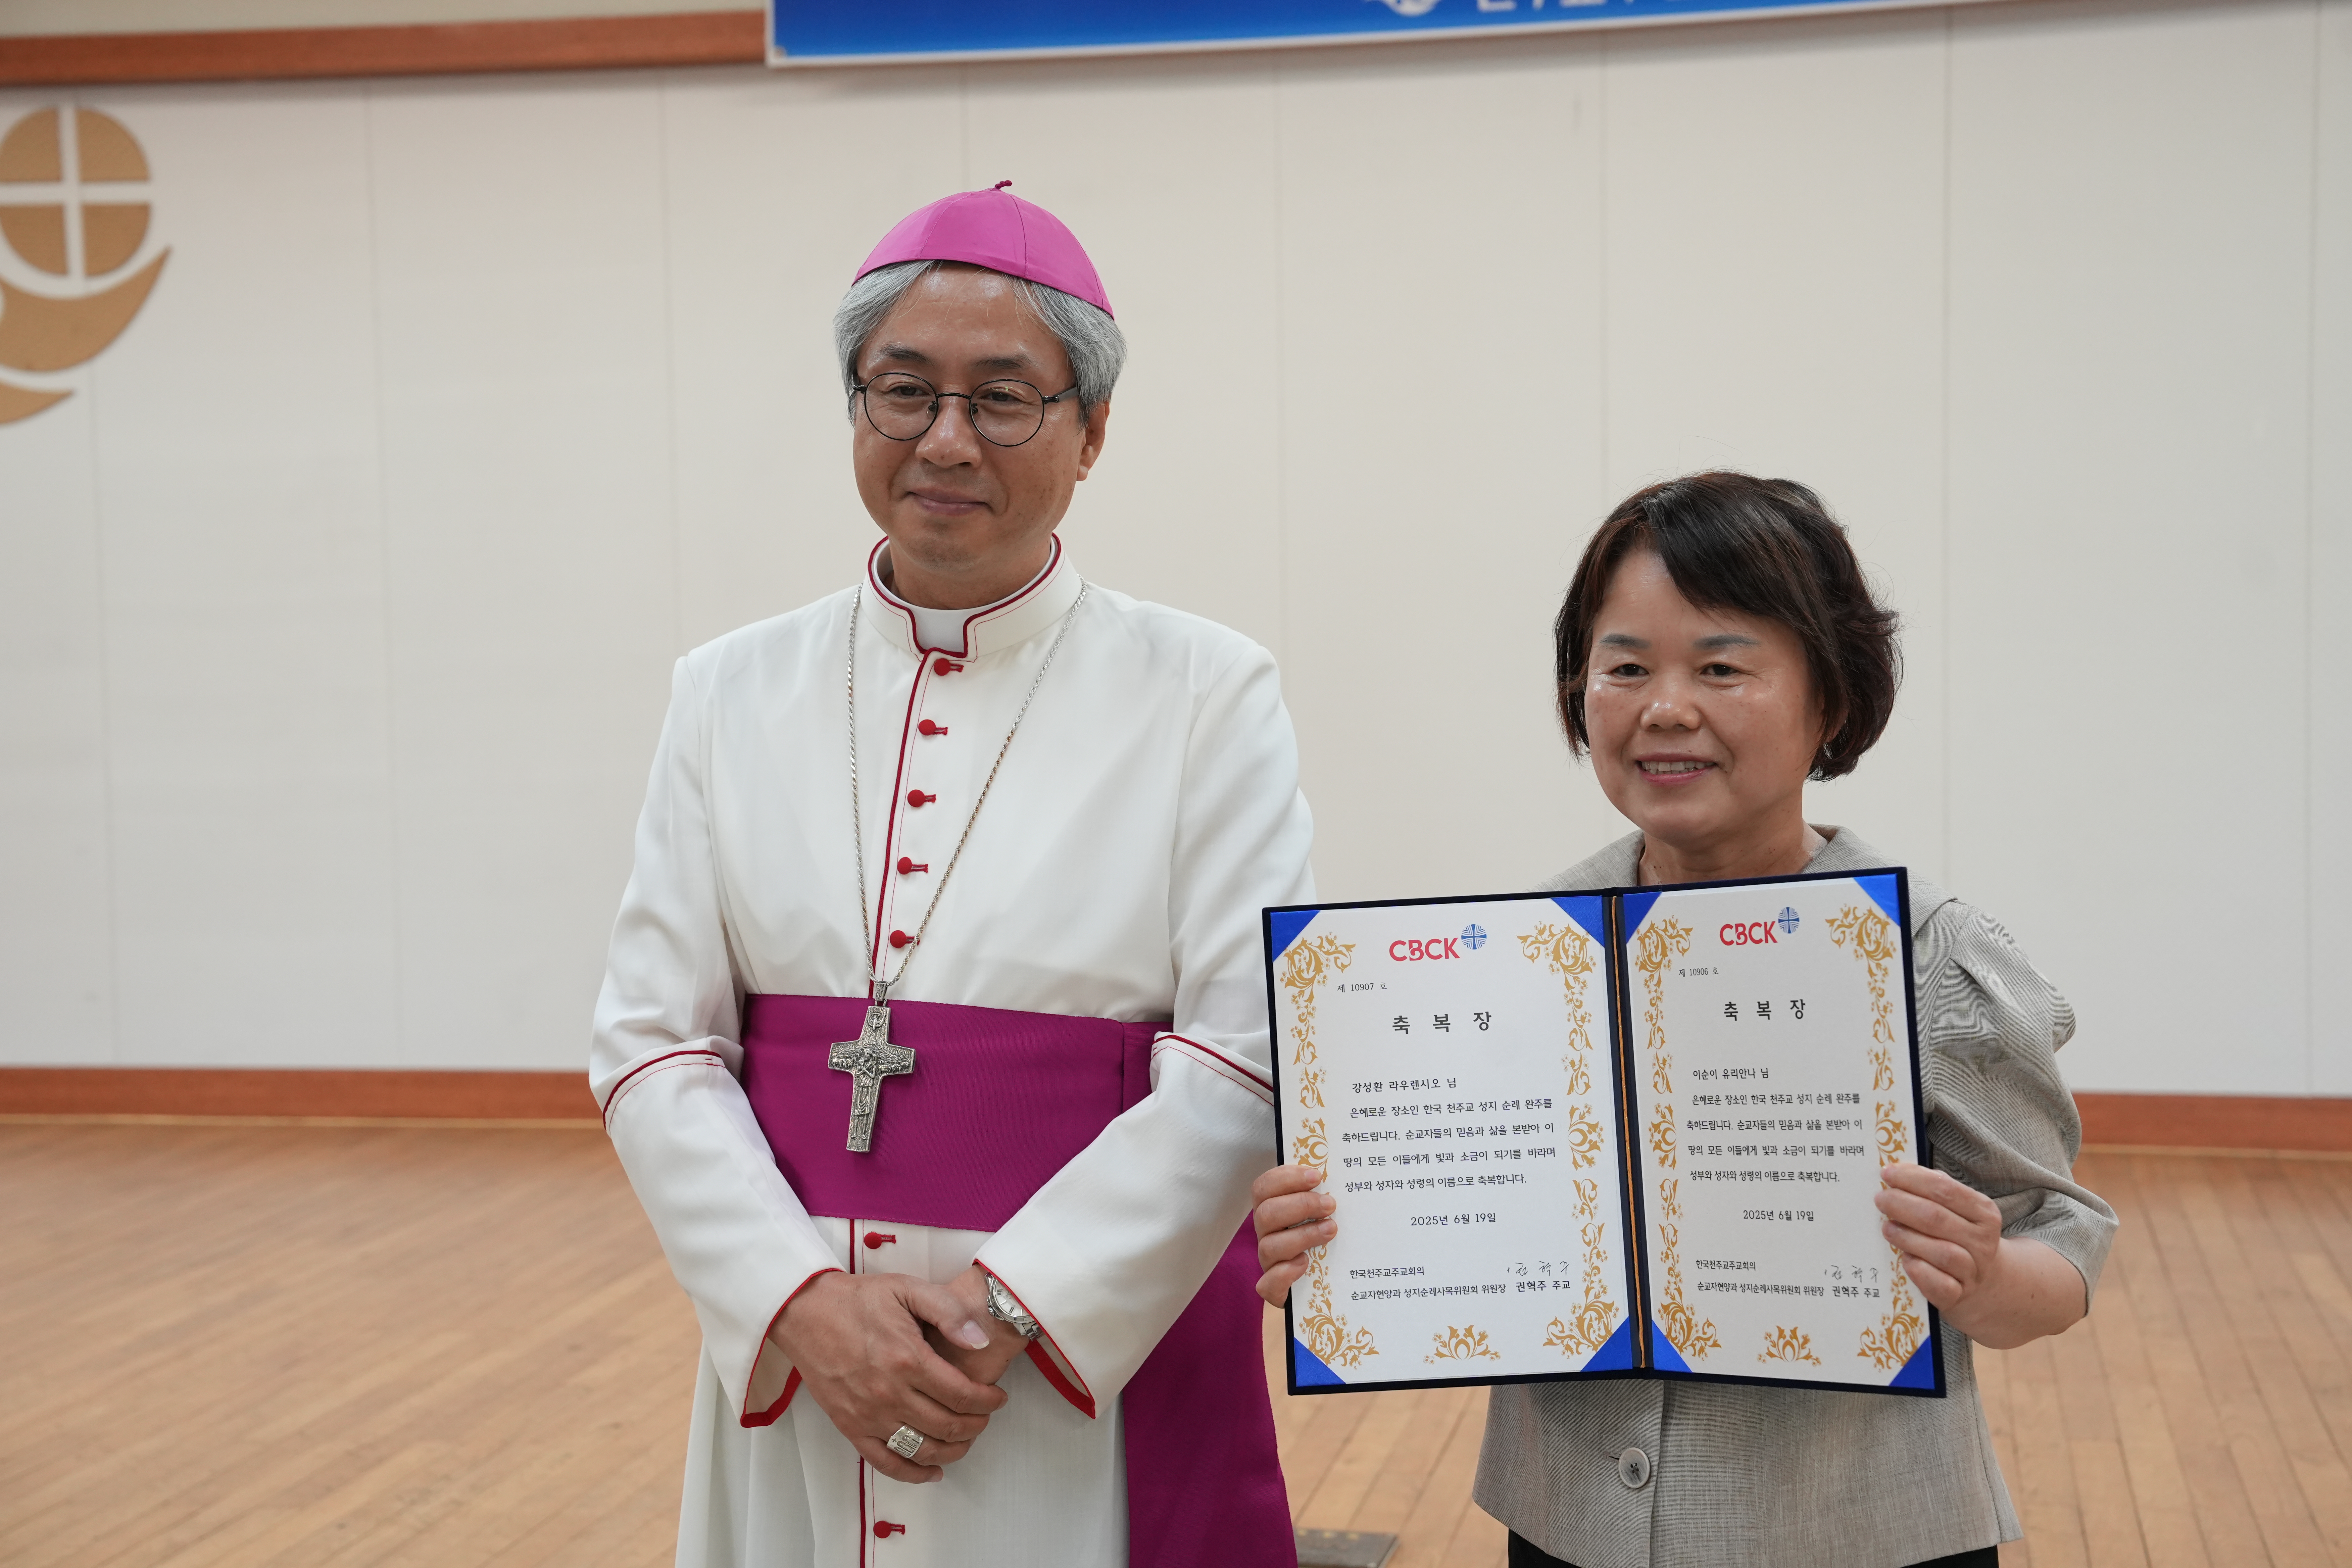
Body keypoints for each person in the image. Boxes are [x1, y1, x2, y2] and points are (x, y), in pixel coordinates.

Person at [591, 184, 1309, 1568]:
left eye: (1005, 398)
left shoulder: (1210, 692)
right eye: (902, 391)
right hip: (806, 1367)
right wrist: (801, 1301)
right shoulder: (726, 691)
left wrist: (1004, 1311)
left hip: (1067, 1369)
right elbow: (653, 1040)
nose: (945, 438)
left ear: (1093, 429)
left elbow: (1243, 1053)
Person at [1251, 473, 2117, 1568]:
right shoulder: (1516, 958)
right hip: (1568, 1527)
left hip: (1858, 1538)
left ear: (1831, 701)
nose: (1666, 706)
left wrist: (1987, 1280)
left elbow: (2063, 1249)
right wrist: (1340, 1246)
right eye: (1625, 667)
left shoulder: (1931, 953)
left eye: (1721, 666)